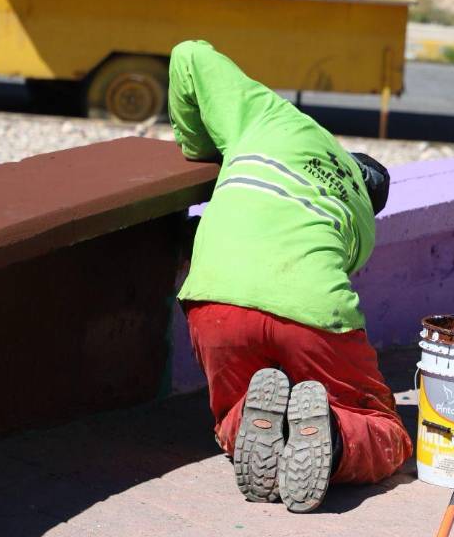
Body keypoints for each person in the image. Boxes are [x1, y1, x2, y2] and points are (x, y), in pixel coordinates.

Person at [167, 40, 412, 512]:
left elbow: (189, 54)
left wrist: (199, 145)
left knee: (234, 409)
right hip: (310, 307)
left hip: (216, 298)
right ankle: (336, 440)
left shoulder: (275, 120)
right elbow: (325, 280)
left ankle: (256, 431)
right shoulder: (361, 216)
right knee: (386, 429)